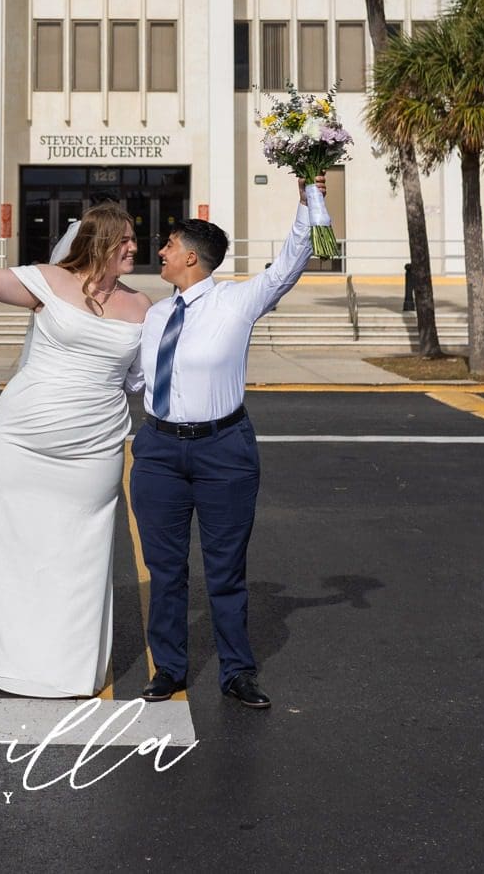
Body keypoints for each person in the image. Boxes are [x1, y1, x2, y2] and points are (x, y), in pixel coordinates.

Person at [0, 200, 150, 698]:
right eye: (127, 240)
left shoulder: (142, 306)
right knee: (5, 546)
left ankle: (64, 669)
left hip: (93, 448)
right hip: (20, 440)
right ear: (101, 243)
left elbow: (143, 379)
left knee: (79, 553)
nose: (136, 247)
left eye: (135, 239)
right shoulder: (46, 281)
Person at [128, 176, 326, 710]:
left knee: (225, 571)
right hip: (159, 453)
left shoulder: (237, 302)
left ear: (191, 257)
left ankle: (237, 671)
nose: (161, 252)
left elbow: (288, 264)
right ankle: (168, 668)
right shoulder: (154, 314)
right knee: (165, 570)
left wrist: (310, 200)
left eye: (168, 245)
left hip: (223, 451)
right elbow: (138, 379)